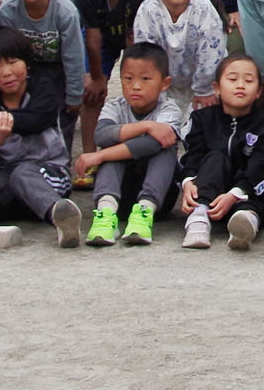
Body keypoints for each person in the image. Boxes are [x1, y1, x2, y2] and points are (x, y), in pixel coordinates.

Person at [0, 25, 83, 246]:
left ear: (27, 63)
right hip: (8, 184)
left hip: (49, 177)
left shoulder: (43, 90)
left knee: (22, 172)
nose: (6, 72)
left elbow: (33, 120)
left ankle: (61, 218)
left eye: (13, 62)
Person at [76, 42, 190, 246]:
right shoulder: (115, 107)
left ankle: (144, 214)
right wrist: (146, 126)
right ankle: (105, 212)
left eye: (145, 79)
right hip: (120, 193)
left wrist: (100, 156)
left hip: (158, 199)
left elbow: (153, 144)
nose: (135, 86)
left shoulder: (169, 109)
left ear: (165, 83)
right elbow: (101, 135)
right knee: (113, 145)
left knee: (165, 145)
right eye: (128, 79)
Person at [178, 53, 264, 250]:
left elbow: (263, 167)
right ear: (217, 88)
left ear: (258, 91)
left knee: (254, 203)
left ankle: (244, 225)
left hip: (248, 193)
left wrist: (236, 194)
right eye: (232, 79)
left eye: (249, 80)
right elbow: (190, 156)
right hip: (208, 191)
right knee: (215, 157)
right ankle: (198, 220)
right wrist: (187, 182)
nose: (241, 85)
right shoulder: (201, 119)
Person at [73, 0, 148, 152]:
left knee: (140, 89)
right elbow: (93, 40)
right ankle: (87, 154)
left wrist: (134, 75)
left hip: (132, 40)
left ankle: (133, 147)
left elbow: (134, 41)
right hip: (100, 41)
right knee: (91, 95)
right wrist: (97, 78)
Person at [0, 0, 88, 118]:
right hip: (23, 73)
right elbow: (2, 55)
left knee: (59, 122)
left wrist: (75, 97)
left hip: (57, 71)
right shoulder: (8, 11)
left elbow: (73, 58)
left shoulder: (66, 13)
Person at [130, 0, 228, 106]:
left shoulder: (203, 8)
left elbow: (211, 54)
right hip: (163, 84)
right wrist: (153, 88)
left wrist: (204, 90)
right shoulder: (148, 11)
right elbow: (145, 54)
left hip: (205, 83)